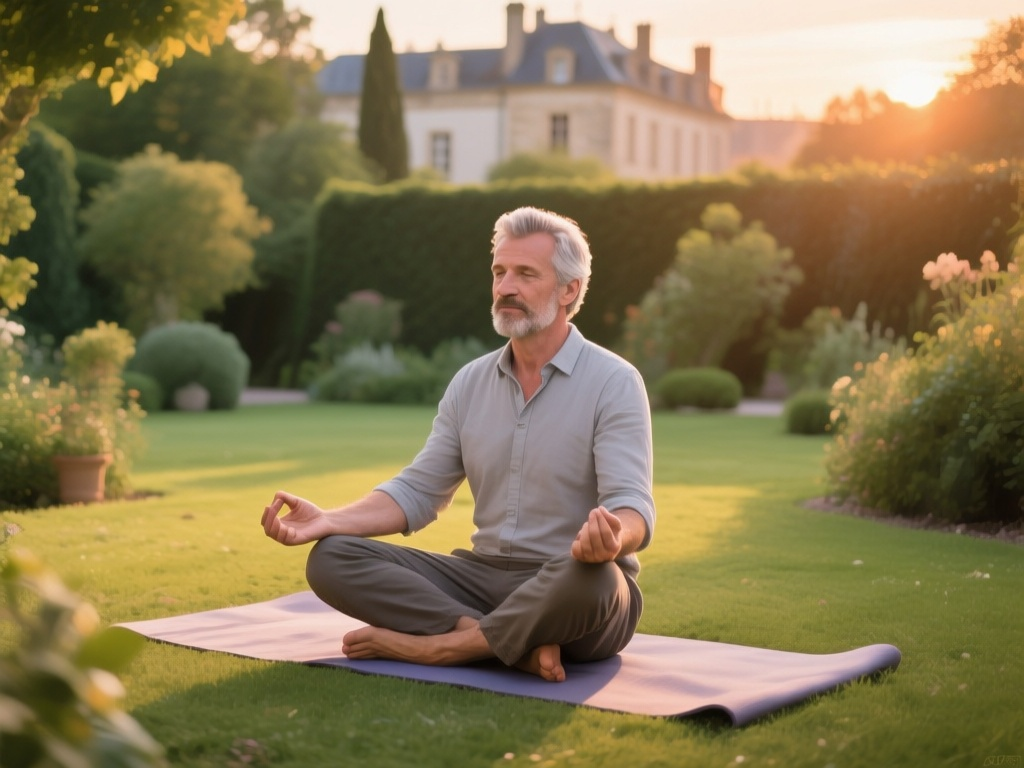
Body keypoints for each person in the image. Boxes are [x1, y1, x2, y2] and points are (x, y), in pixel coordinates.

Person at [261, 206, 655, 682]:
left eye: (526, 274)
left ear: (570, 290)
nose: (505, 286)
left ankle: (442, 649)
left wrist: (613, 538)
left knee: (597, 580)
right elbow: (420, 492)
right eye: (499, 271)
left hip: (572, 585)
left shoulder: (614, 381)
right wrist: (328, 520)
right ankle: (500, 642)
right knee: (333, 556)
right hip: (481, 579)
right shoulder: (470, 382)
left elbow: (632, 507)